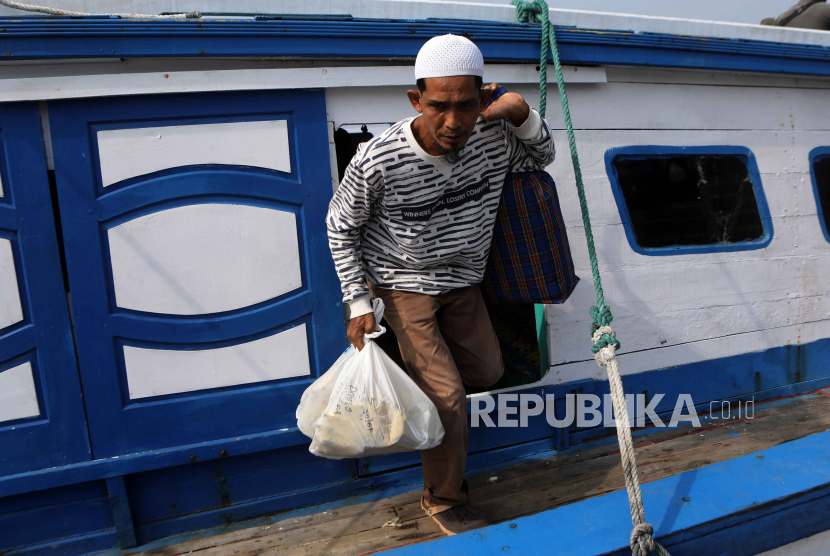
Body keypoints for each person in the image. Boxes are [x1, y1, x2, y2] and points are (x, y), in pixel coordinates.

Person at [326, 34, 555, 535]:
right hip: (402, 284)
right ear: (416, 100)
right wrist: (357, 301)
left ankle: (423, 388)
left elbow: (542, 155)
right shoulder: (379, 159)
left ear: (482, 99)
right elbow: (340, 225)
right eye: (439, 106)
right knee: (448, 397)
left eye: (466, 106)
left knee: (490, 369)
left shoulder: (493, 135)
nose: (453, 122)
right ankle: (443, 496)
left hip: (464, 280)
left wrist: (519, 112)